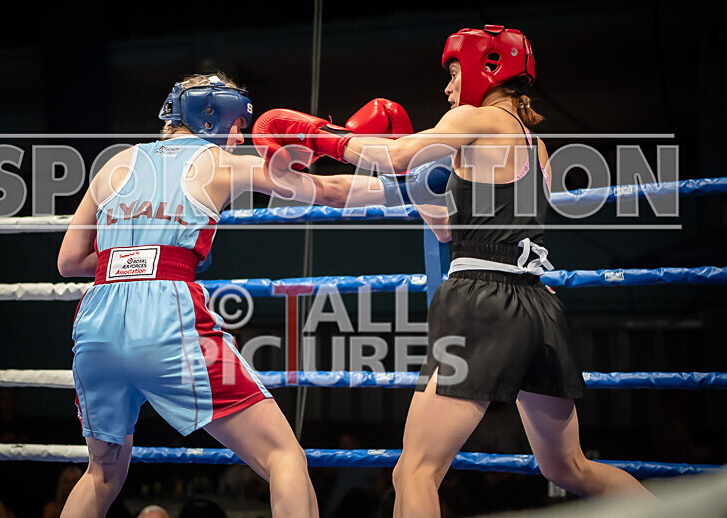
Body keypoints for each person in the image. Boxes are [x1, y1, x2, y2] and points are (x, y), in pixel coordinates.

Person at [252, 24, 653, 517]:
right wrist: (285, 174)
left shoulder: (477, 120)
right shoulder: (534, 145)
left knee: (414, 472)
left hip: (482, 301)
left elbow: (398, 153)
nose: (446, 88)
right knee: (568, 467)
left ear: (488, 68)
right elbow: (440, 226)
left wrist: (319, 134)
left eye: (453, 72)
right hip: (537, 307)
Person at [57, 72, 412, 518]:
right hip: (168, 320)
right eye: (238, 123)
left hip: (96, 326)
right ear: (212, 115)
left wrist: (133, 258)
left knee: (102, 473)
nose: (241, 134)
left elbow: (69, 261)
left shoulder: (113, 164)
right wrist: (411, 187)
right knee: (284, 458)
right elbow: (329, 190)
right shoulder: (221, 163)